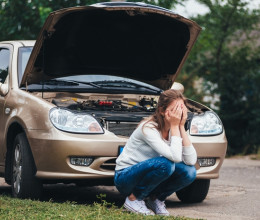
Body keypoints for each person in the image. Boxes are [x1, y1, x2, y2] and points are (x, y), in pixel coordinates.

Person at [114, 89, 197, 216]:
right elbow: (174, 157)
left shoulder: (173, 128)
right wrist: (175, 126)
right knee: (166, 164)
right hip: (125, 178)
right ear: (162, 111)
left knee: (190, 172)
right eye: (175, 109)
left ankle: (155, 199)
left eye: (182, 108)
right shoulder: (148, 128)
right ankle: (133, 199)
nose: (179, 113)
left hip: (147, 177)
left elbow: (191, 161)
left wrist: (181, 126)